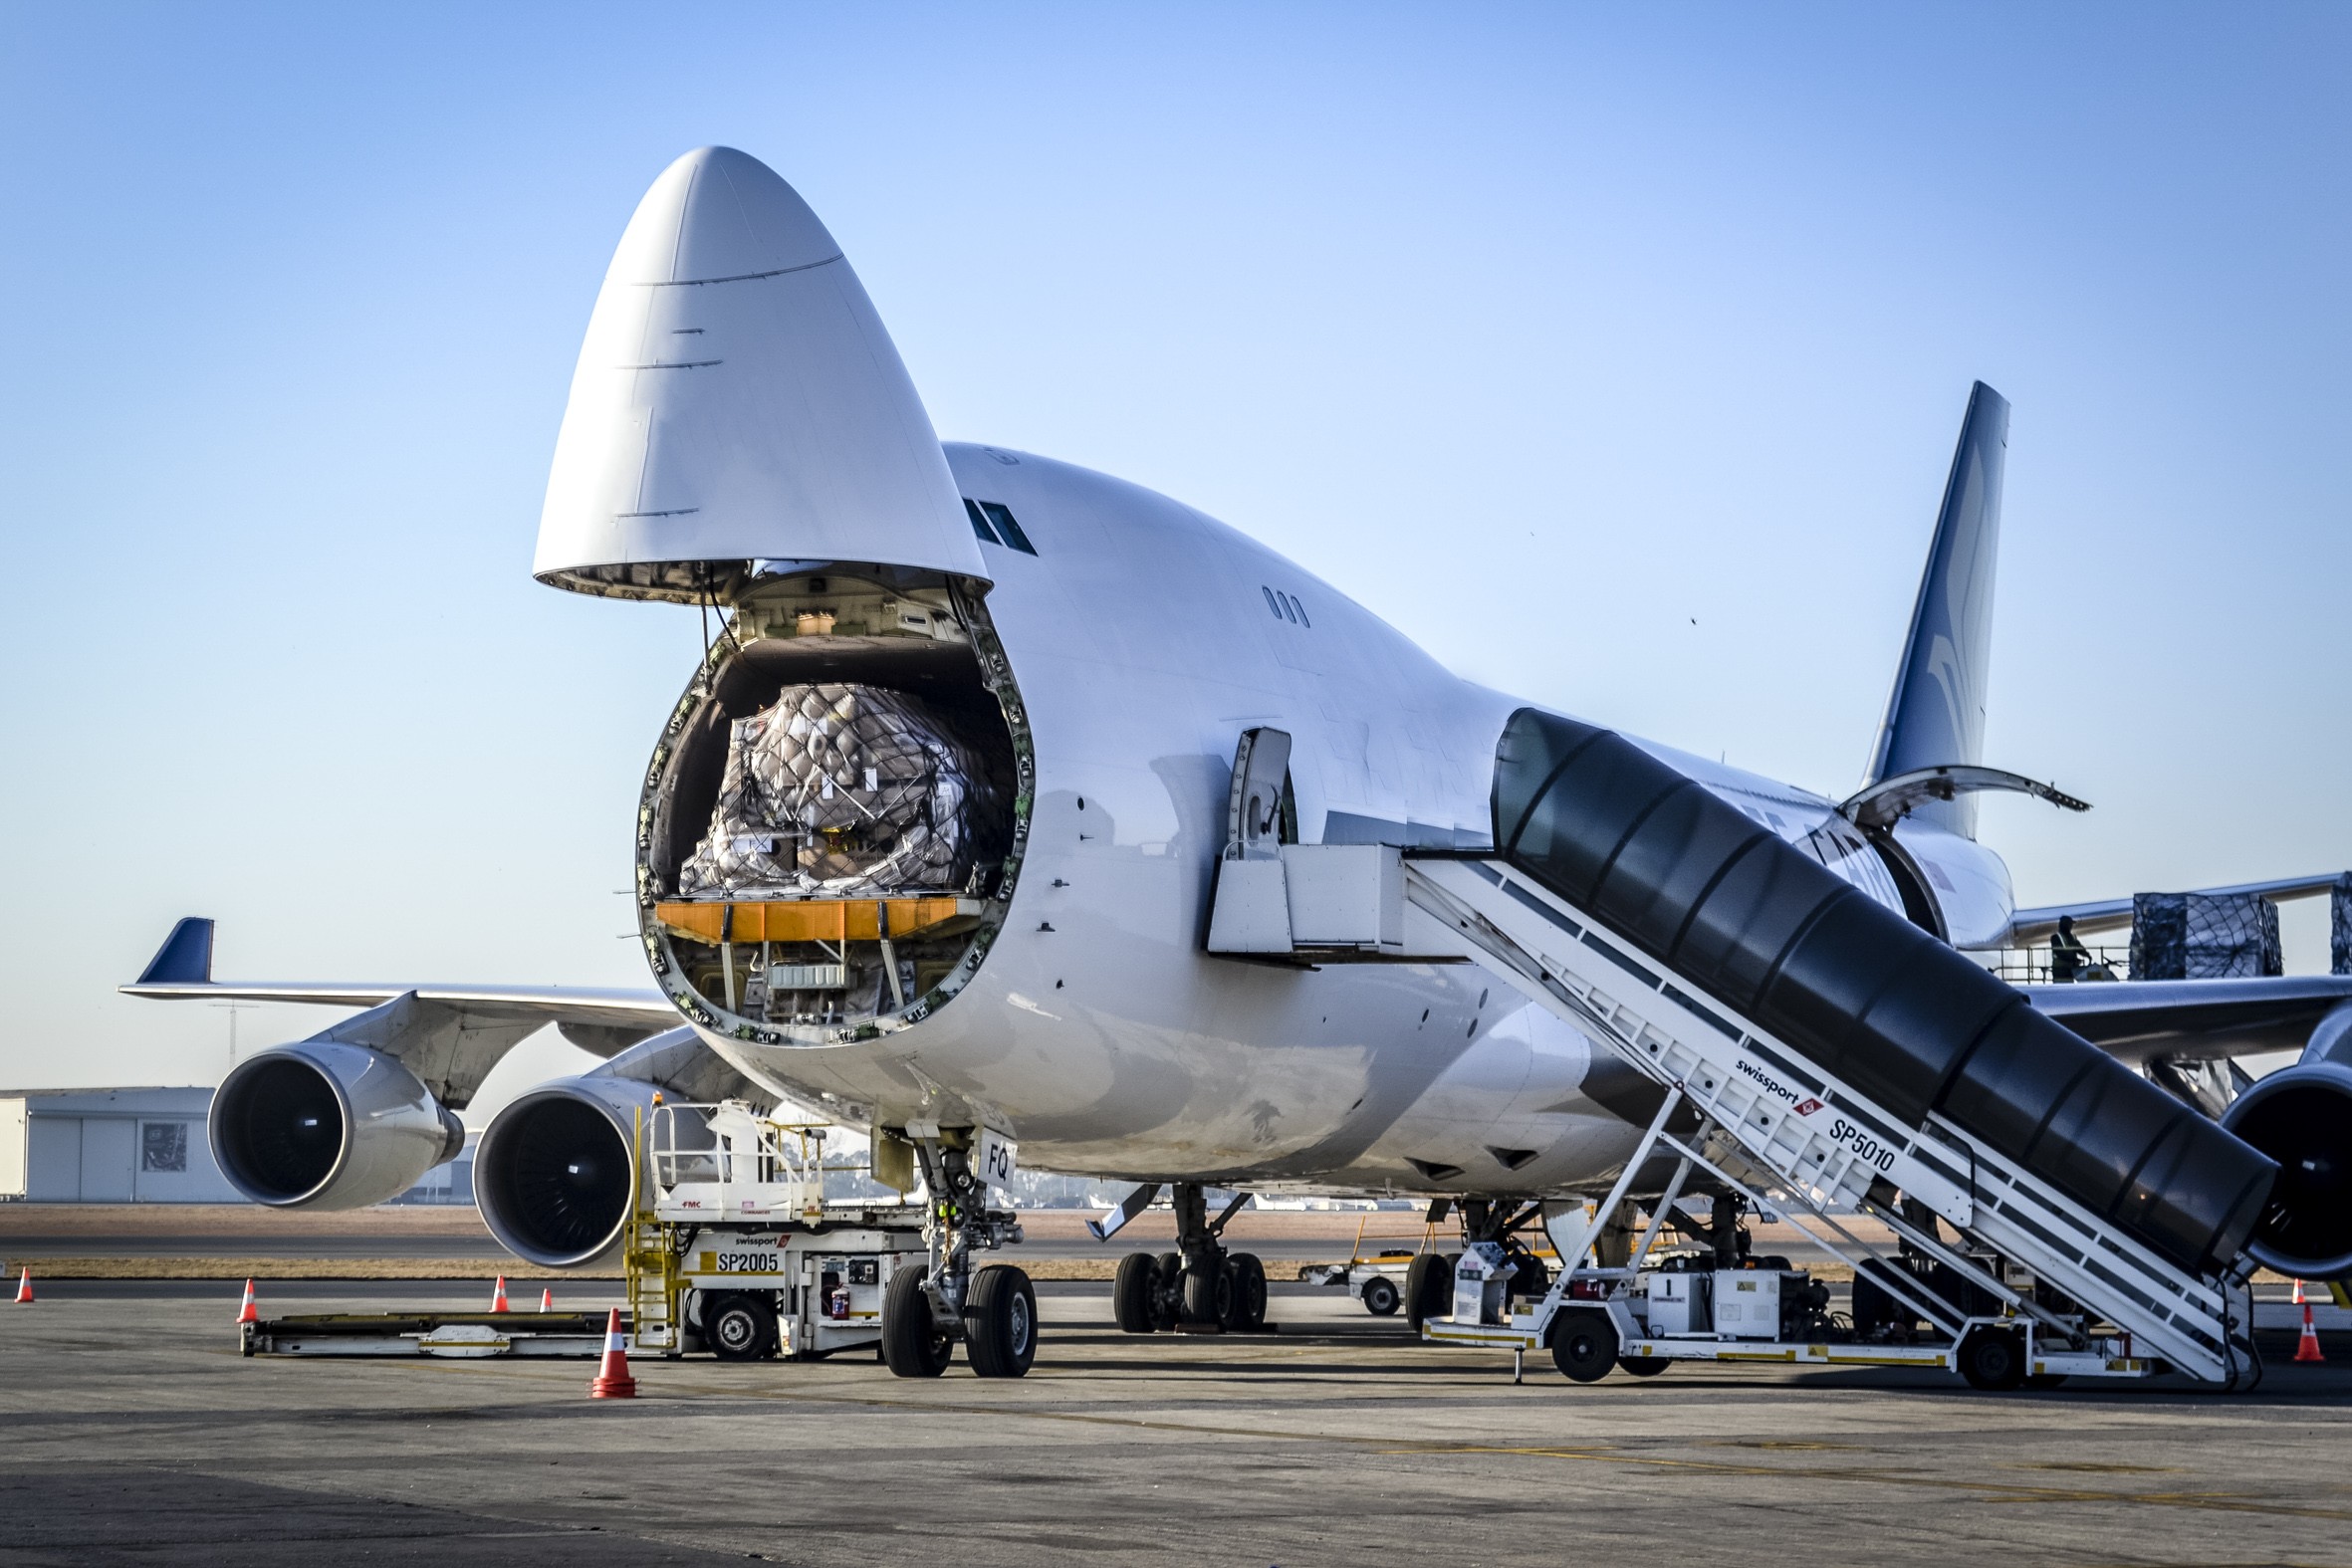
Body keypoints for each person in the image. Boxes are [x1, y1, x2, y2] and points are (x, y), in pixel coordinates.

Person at [2049, 914, 2090, 983]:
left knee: (2070, 984)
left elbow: (2079, 947)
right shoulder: (2056, 937)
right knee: (2062, 986)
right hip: (2060, 969)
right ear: (2065, 925)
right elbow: (2060, 953)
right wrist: (2074, 960)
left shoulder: (2072, 937)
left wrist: (2087, 955)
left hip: (2071, 969)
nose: (2071, 926)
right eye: (2070, 924)